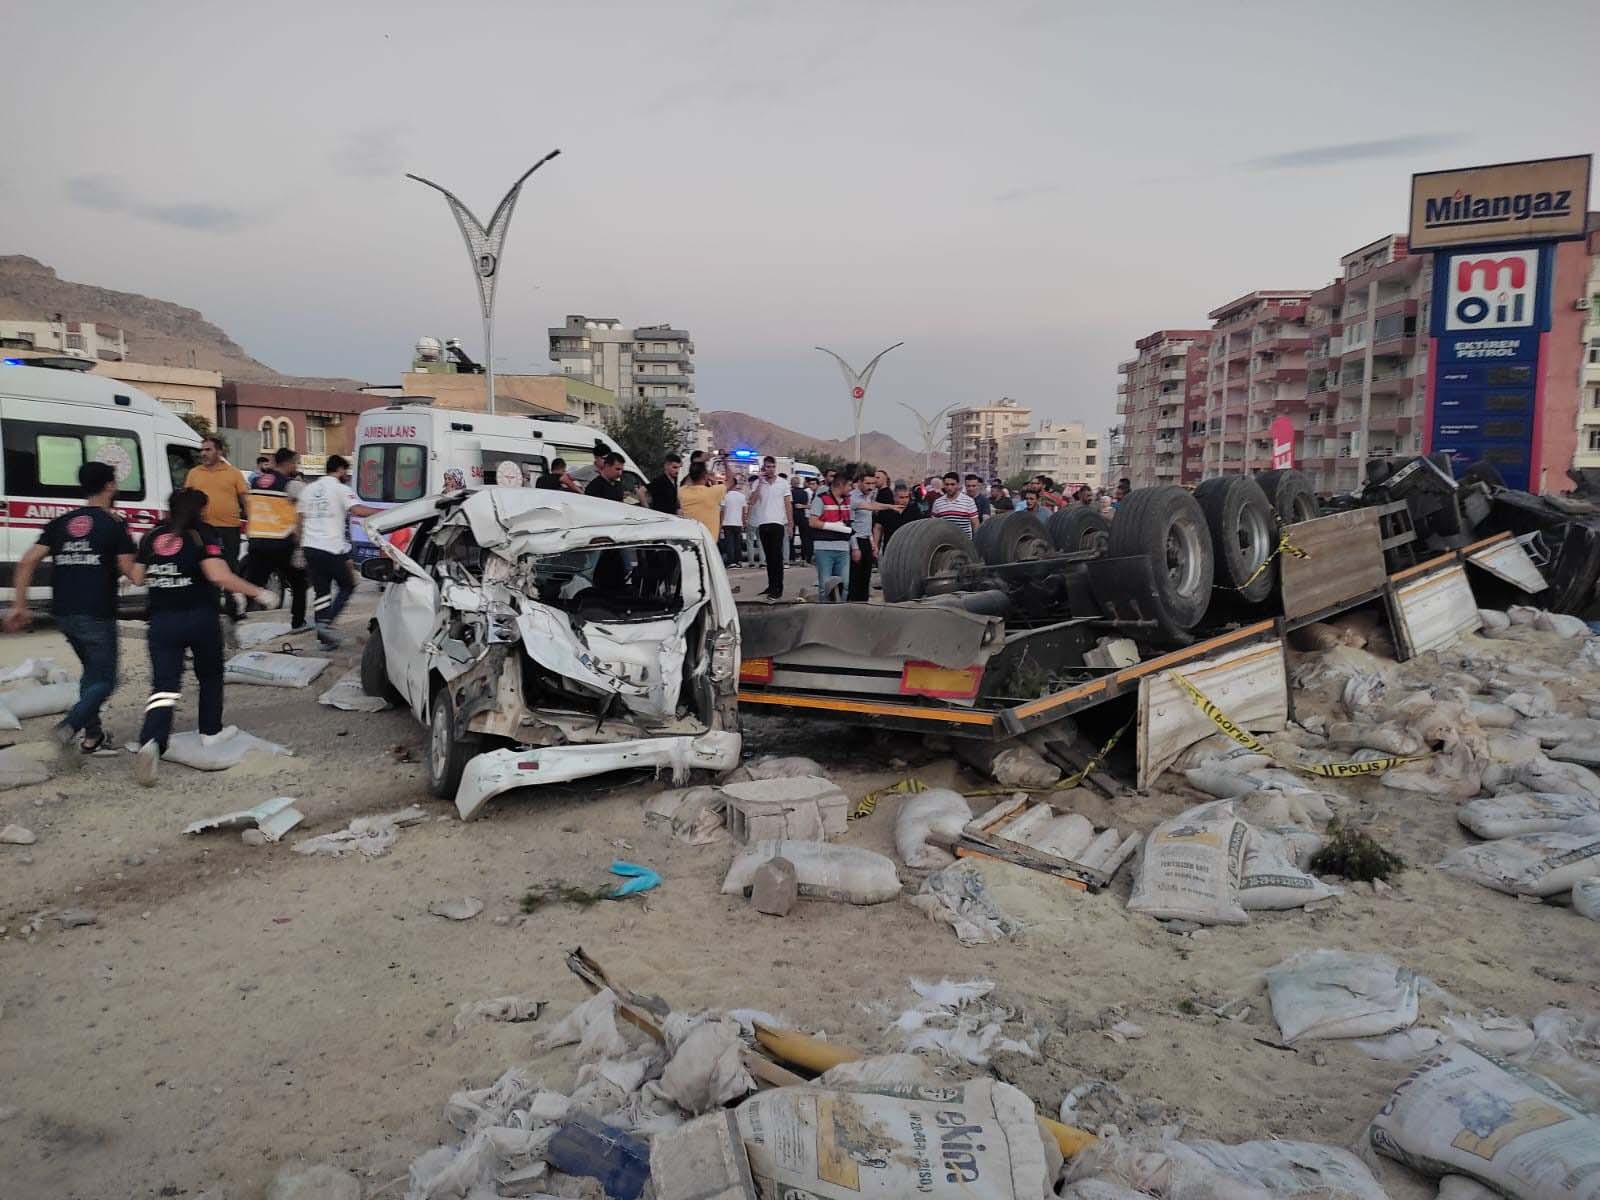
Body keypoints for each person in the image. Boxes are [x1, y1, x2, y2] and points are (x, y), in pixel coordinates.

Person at [127, 488, 275, 786]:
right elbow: (218, 575)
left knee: (164, 686)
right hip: (199, 619)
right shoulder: (202, 535)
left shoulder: (151, 537)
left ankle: (152, 741)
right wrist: (258, 592)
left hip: (162, 621)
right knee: (209, 675)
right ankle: (210, 731)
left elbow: (136, 576)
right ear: (200, 511)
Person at [3, 462, 137, 764]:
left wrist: (20, 605)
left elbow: (26, 562)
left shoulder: (62, 523)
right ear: (110, 486)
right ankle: (70, 725)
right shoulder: (113, 524)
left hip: (64, 613)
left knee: (91, 674)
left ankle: (93, 738)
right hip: (97, 612)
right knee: (107, 680)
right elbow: (129, 570)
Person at [297, 454, 380, 649]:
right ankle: (325, 626)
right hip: (331, 548)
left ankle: (324, 638)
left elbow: (299, 521)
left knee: (322, 593)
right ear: (341, 470)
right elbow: (358, 511)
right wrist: (383, 512)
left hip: (310, 547)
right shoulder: (341, 489)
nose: (346, 474)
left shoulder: (307, 490)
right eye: (346, 471)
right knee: (347, 585)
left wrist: (301, 547)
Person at [243, 447, 308, 630]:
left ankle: (241, 619)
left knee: (252, 584)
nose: (295, 466)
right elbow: (303, 513)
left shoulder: (256, 482)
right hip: (281, 541)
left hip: (256, 540)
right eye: (295, 462)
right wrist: (300, 544)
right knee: (298, 583)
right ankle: (298, 622)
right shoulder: (291, 485)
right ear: (287, 463)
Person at [187, 435, 249, 626]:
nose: (203, 453)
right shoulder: (194, 473)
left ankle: (232, 609)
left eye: (208, 449)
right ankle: (209, 608)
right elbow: (187, 500)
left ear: (219, 452)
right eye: (202, 450)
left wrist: (252, 521)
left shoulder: (234, 473)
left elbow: (245, 500)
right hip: (203, 530)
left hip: (229, 528)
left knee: (230, 568)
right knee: (205, 569)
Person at [847, 470, 901, 601]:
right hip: (855, 540)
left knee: (866, 577)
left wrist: (872, 543)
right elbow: (853, 522)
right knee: (855, 577)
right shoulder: (852, 498)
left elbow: (868, 521)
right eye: (867, 483)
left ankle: (863, 604)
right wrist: (855, 547)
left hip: (866, 539)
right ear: (859, 483)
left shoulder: (868, 496)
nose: (870, 486)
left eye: (873, 483)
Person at [749, 456, 793, 599]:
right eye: (767, 467)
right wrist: (760, 483)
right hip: (763, 522)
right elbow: (752, 501)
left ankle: (778, 587)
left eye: (772, 467)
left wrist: (790, 523)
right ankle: (771, 585)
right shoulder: (757, 483)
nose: (770, 469)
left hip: (777, 523)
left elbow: (787, 503)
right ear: (763, 468)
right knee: (769, 557)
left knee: (776, 556)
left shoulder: (783, 483)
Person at [807, 473, 854, 602]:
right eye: (849, 485)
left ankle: (840, 613)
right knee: (824, 585)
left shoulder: (848, 501)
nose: (851, 488)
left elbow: (864, 507)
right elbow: (812, 522)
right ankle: (824, 612)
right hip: (824, 549)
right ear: (840, 485)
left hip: (843, 549)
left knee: (845, 584)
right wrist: (835, 526)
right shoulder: (820, 500)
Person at [677, 461, 726, 541]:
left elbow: (686, 481)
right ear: (705, 476)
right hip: (709, 540)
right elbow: (731, 480)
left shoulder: (682, 492)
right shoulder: (713, 492)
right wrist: (725, 462)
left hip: (689, 537)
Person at [872, 480, 914, 561]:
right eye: (901, 497)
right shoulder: (887, 510)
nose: (905, 500)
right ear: (894, 497)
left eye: (907, 497)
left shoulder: (913, 510)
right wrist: (876, 545)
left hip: (909, 548)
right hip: (890, 547)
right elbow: (878, 527)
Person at [931, 471, 979, 535]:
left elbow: (975, 524)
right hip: (945, 542)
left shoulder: (969, 501)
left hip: (964, 542)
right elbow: (934, 525)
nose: (949, 487)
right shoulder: (938, 503)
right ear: (943, 485)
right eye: (947, 484)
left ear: (958, 485)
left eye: (952, 484)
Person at [719, 476, 747, 568]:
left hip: (727, 522)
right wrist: (743, 523)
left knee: (729, 543)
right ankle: (738, 560)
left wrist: (720, 523)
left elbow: (722, 511)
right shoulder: (742, 496)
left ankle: (731, 562)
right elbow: (743, 511)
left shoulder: (724, 496)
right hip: (738, 523)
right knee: (737, 543)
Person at [790, 476, 813, 564]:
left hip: (792, 516)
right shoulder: (804, 493)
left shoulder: (790, 492)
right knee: (804, 537)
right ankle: (804, 557)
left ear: (792, 483)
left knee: (790, 537)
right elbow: (807, 503)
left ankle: (791, 557)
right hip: (803, 516)